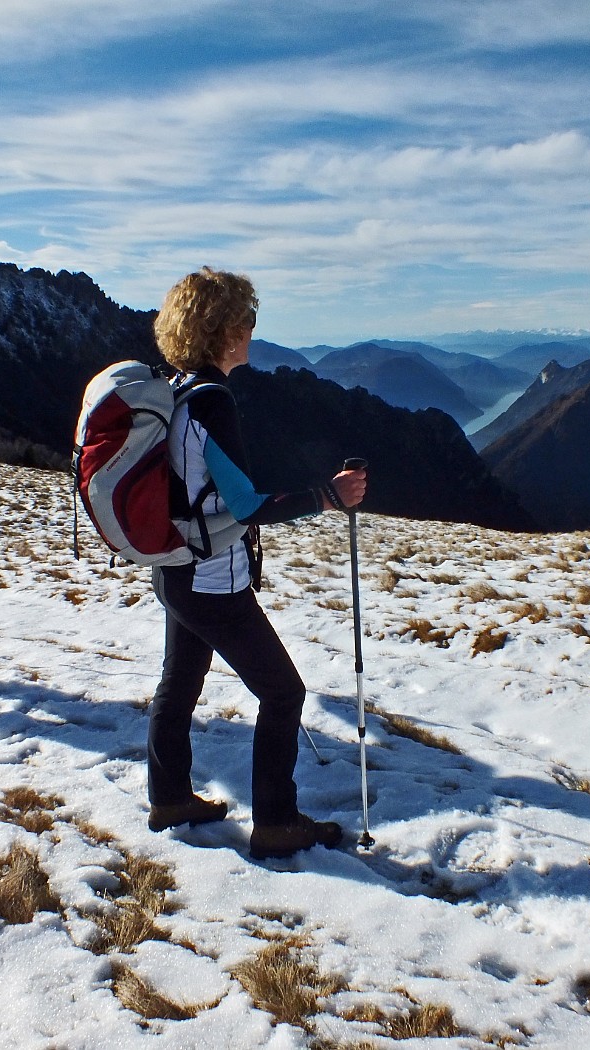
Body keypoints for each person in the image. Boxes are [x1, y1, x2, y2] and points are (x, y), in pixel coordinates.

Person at [145, 267, 368, 860]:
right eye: (245, 320)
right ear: (222, 331)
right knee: (283, 691)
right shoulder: (213, 400)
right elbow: (244, 504)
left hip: (174, 567)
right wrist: (328, 495)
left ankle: (168, 798)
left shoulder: (176, 389)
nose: (251, 330)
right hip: (213, 577)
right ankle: (275, 822)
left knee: (180, 681)